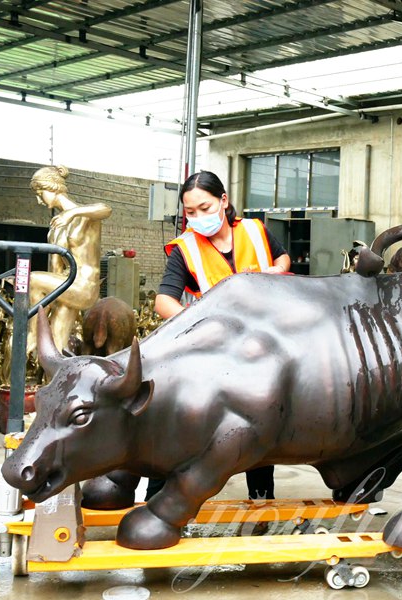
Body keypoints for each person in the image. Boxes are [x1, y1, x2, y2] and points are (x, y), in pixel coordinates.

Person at [153, 171, 290, 501]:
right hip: (218, 348)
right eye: (190, 212)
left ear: (223, 201)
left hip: (263, 342)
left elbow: (282, 255)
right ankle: (157, 500)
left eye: (205, 208)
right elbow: (163, 301)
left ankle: (261, 503)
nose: (198, 217)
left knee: (261, 421)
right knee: (186, 421)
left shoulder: (255, 230)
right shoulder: (186, 248)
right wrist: (201, 322)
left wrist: (278, 269)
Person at [28, 165, 112, 355]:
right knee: (55, 344)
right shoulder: (55, 227)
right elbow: (55, 270)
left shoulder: (86, 216)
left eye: (40, 194)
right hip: (66, 286)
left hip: (85, 286)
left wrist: (72, 213)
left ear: (52, 188)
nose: (39, 200)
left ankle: (32, 333)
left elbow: (106, 209)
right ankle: (51, 367)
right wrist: (48, 307)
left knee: (31, 278)